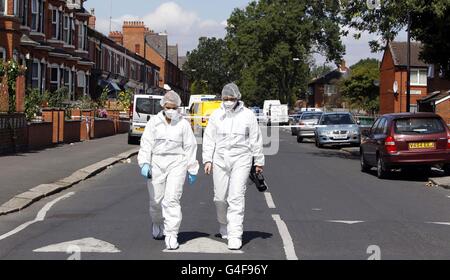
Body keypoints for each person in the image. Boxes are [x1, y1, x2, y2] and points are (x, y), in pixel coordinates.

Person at [202, 83, 265, 250]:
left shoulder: (248, 115)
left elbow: (255, 138)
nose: (228, 101)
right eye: (225, 99)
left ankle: (235, 234)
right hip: (220, 158)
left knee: (236, 197)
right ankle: (223, 223)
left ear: (238, 98)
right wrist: (207, 160)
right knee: (220, 197)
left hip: (241, 158)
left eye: (231, 99)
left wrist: (258, 161)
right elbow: (209, 138)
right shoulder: (216, 115)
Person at [137, 90, 199, 250]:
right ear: (163, 106)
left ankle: (171, 234)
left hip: (177, 162)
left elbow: (190, 146)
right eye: (168, 107)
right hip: (156, 162)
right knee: (156, 201)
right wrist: (144, 163)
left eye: (174, 108)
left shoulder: (183, 124)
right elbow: (146, 144)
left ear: (178, 108)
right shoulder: (154, 122)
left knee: (172, 200)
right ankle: (157, 223)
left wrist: (192, 168)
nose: (171, 110)